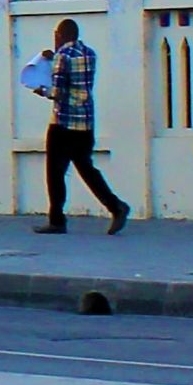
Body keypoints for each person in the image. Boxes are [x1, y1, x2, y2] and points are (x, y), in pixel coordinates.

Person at [38, 16, 129, 238]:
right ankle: (115, 206)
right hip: (86, 122)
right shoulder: (89, 53)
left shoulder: (62, 56)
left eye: (56, 35)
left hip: (63, 123)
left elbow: (58, 92)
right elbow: (76, 77)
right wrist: (54, 60)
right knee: (87, 169)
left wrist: (41, 90)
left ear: (60, 35)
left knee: (55, 172)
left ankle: (57, 220)